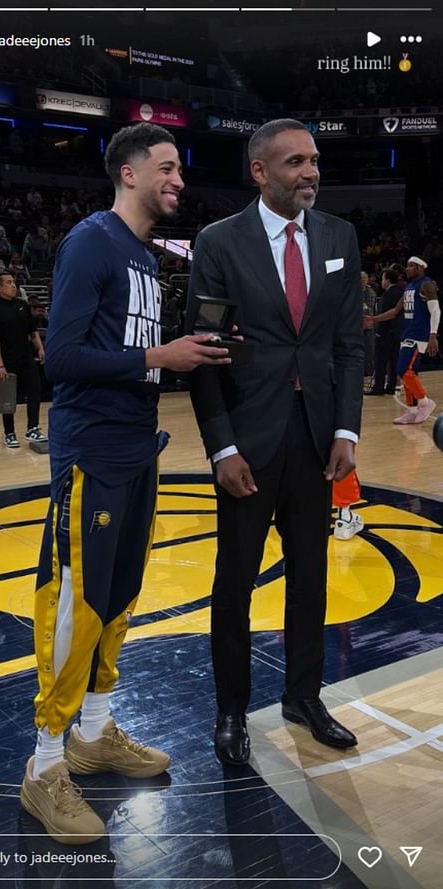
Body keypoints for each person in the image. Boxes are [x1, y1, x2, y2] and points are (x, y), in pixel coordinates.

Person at [19, 123, 231, 844]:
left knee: (118, 599)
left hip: (137, 449)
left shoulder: (143, 255)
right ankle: (45, 767)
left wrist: (183, 356)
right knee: (77, 605)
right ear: (129, 172)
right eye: (166, 168)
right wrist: (159, 354)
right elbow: (64, 359)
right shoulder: (90, 242)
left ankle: (96, 729)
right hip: (91, 453)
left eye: (180, 170)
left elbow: (135, 355)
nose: (178, 180)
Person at [186, 119, 364, 765]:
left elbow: (348, 345)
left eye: (314, 160)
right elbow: (203, 353)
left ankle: (303, 696)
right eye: (295, 162)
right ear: (260, 171)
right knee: (234, 585)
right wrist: (221, 448)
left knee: (311, 580)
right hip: (247, 445)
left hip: (317, 438)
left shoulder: (340, 236)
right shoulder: (218, 242)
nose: (311, 172)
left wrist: (346, 427)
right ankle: (232, 710)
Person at [368, 256, 440, 424]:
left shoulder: (426, 284)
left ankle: (424, 402)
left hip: (419, 335)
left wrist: (433, 335)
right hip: (407, 333)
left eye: (411, 266)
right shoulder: (410, 286)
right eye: (407, 266)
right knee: (410, 373)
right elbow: (395, 311)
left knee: (403, 370)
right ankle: (412, 409)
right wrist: (374, 319)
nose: (407, 269)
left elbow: (436, 311)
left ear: (421, 268)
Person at [0, 273, 47, 447]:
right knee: (8, 397)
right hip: (7, 361)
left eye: (14, 282)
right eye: (9, 282)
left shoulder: (22, 305)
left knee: (35, 390)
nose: (14, 285)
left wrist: (40, 348)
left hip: (26, 357)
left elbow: (32, 330)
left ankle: (32, 428)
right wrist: (0, 365)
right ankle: (10, 433)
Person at [367, 267, 403, 396]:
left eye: (382, 278)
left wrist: (377, 327)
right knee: (394, 361)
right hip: (397, 331)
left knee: (380, 361)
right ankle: (391, 386)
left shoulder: (388, 294)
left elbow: (387, 315)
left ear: (387, 279)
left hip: (386, 332)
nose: (382, 282)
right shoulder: (400, 292)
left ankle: (378, 387)